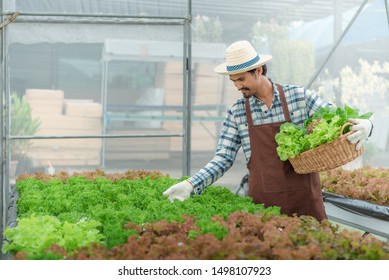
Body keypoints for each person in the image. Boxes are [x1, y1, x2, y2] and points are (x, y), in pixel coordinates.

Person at [163, 40, 373, 221]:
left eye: (241, 79)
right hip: (264, 205)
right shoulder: (237, 113)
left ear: (259, 71)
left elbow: (337, 119)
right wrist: (192, 184)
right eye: (233, 80)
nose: (237, 86)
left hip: (305, 201)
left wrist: (367, 126)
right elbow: (223, 158)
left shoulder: (299, 98)